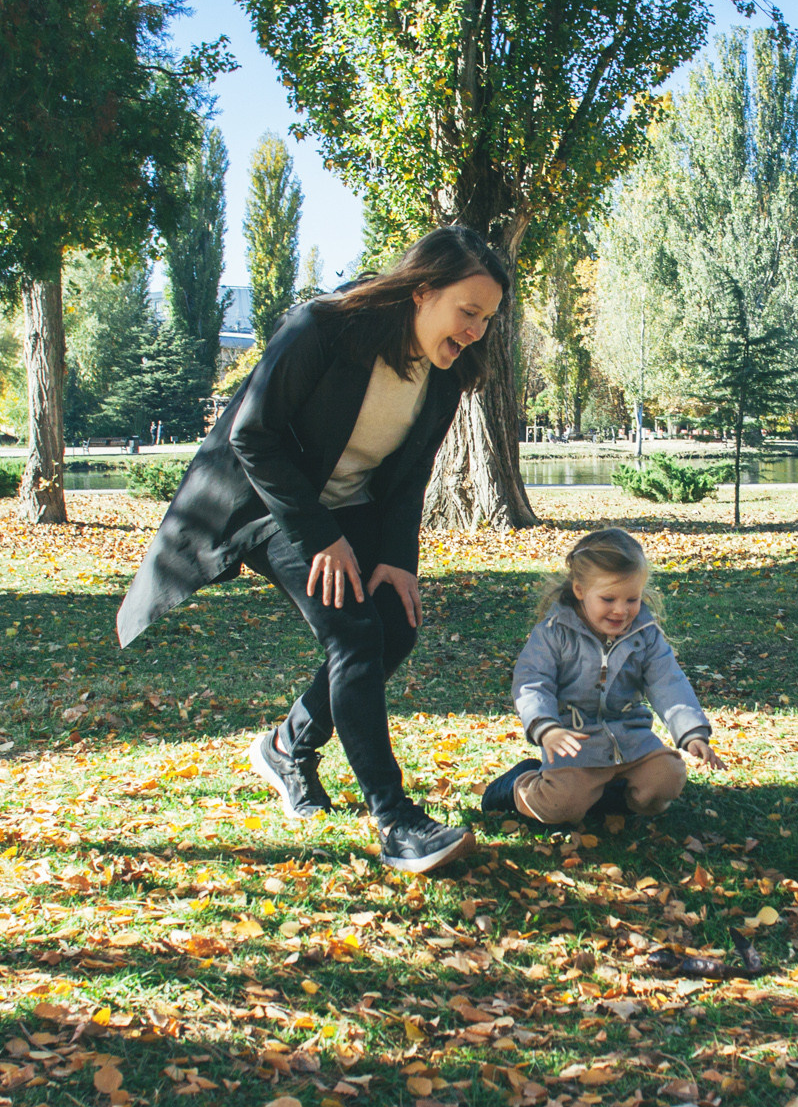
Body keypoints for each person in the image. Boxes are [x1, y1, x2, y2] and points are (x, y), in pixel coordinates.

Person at [117, 225, 507, 874]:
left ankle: (287, 746)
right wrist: (321, 537)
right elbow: (253, 435)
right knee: (354, 631)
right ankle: (395, 821)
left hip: (353, 505)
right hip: (271, 504)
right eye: (468, 312)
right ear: (421, 290)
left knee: (395, 627)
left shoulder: (449, 373)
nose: (475, 331)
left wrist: (396, 559)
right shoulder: (325, 326)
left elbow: (412, 471)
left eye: (487, 319)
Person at [483, 528, 724, 825]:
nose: (621, 610)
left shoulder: (644, 634)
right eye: (608, 599)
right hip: (574, 744)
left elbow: (668, 681)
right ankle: (516, 785)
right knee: (559, 807)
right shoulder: (554, 633)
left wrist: (692, 732)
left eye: (632, 599)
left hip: (631, 740)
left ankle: (610, 796)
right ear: (580, 590)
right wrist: (546, 728)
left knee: (668, 778)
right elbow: (532, 683)